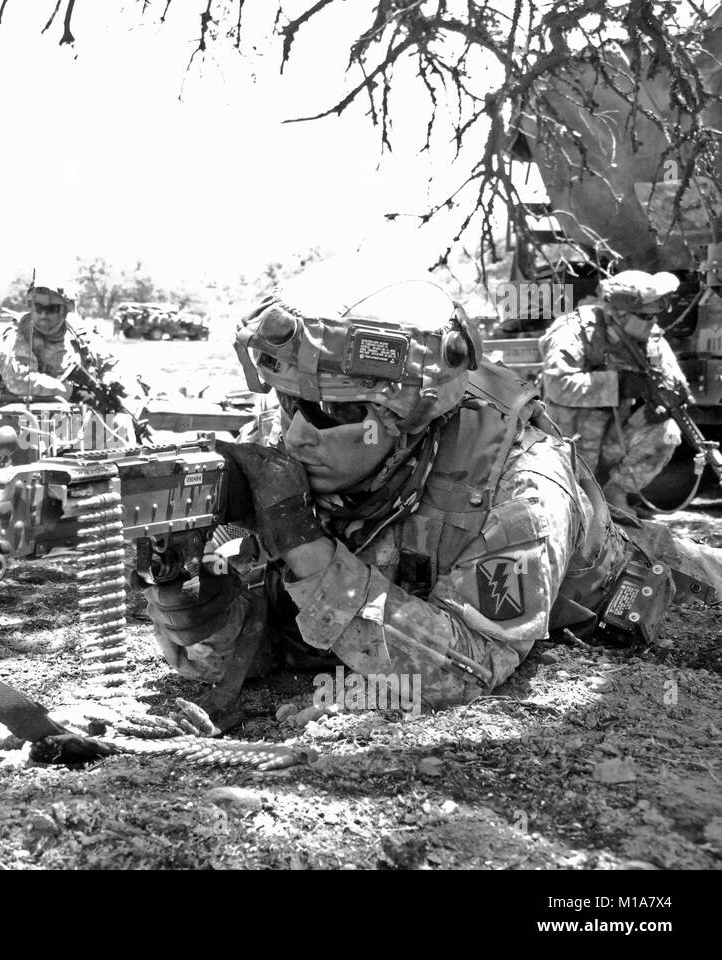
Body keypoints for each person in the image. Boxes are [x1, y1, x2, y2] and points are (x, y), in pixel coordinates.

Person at [141, 279, 722, 730]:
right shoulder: (300, 433)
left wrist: (305, 546)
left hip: (646, 585)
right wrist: (189, 595)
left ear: (407, 417)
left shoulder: (523, 490)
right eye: (289, 405)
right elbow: (276, 632)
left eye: (331, 415)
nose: (294, 437)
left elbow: (475, 664)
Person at [539, 270, 691, 512]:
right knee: (564, 509)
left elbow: (675, 382)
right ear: (618, 314)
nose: (653, 322)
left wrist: (664, 405)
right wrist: (619, 385)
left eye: (655, 315)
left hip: (611, 438)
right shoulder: (574, 331)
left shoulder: (650, 339)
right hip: (565, 445)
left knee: (667, 432)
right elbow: (559, 386)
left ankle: (615, 493)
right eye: (645, 316)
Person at [0, 282, 86, 404]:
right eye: (38, 308)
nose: (43, 314)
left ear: (65, 310)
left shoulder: (78, 334)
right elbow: (20, 381)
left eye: (51, 309)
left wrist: (109, 378)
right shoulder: (19, 334)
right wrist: (72, 392)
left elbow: (107, 362)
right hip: (21, 411)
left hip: (70, 414)